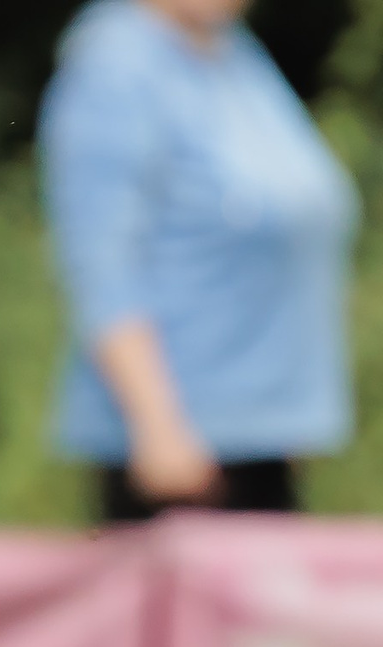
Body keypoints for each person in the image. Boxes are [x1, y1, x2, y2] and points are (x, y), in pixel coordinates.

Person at [39, 0, 358, 522]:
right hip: (181, 454)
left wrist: (291, 412)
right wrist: (156, 425)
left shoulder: (234, 56)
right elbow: (102, 260)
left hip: (260, 438)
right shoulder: (116, 63)